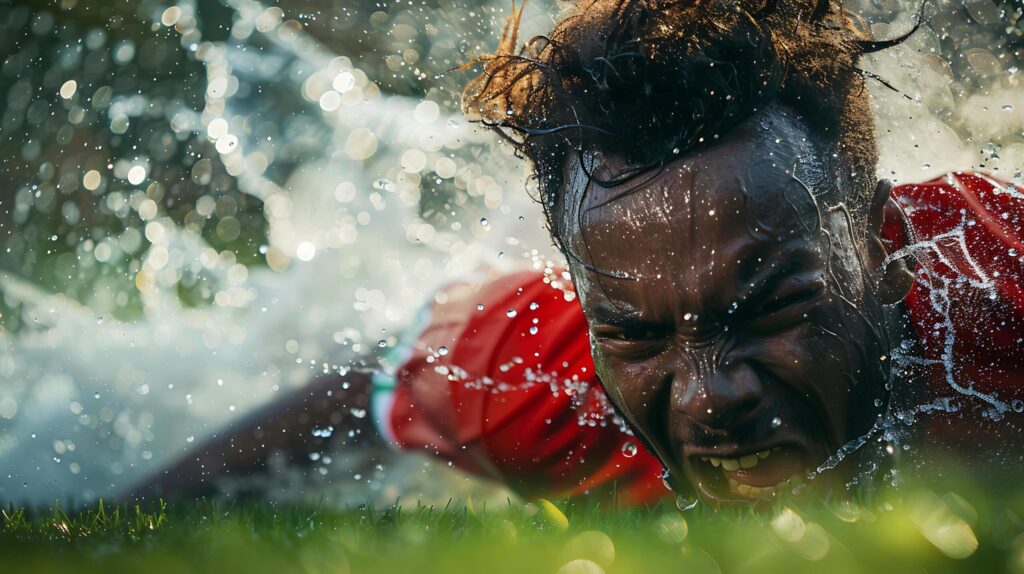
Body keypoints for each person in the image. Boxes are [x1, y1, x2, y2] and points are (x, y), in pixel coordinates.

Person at [135, 0, 1024, 507]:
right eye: (637, 337)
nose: (711, 396)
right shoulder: (549, 382)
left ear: (879, 247)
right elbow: (375, 386)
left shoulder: (998, 296)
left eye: (769, 309)